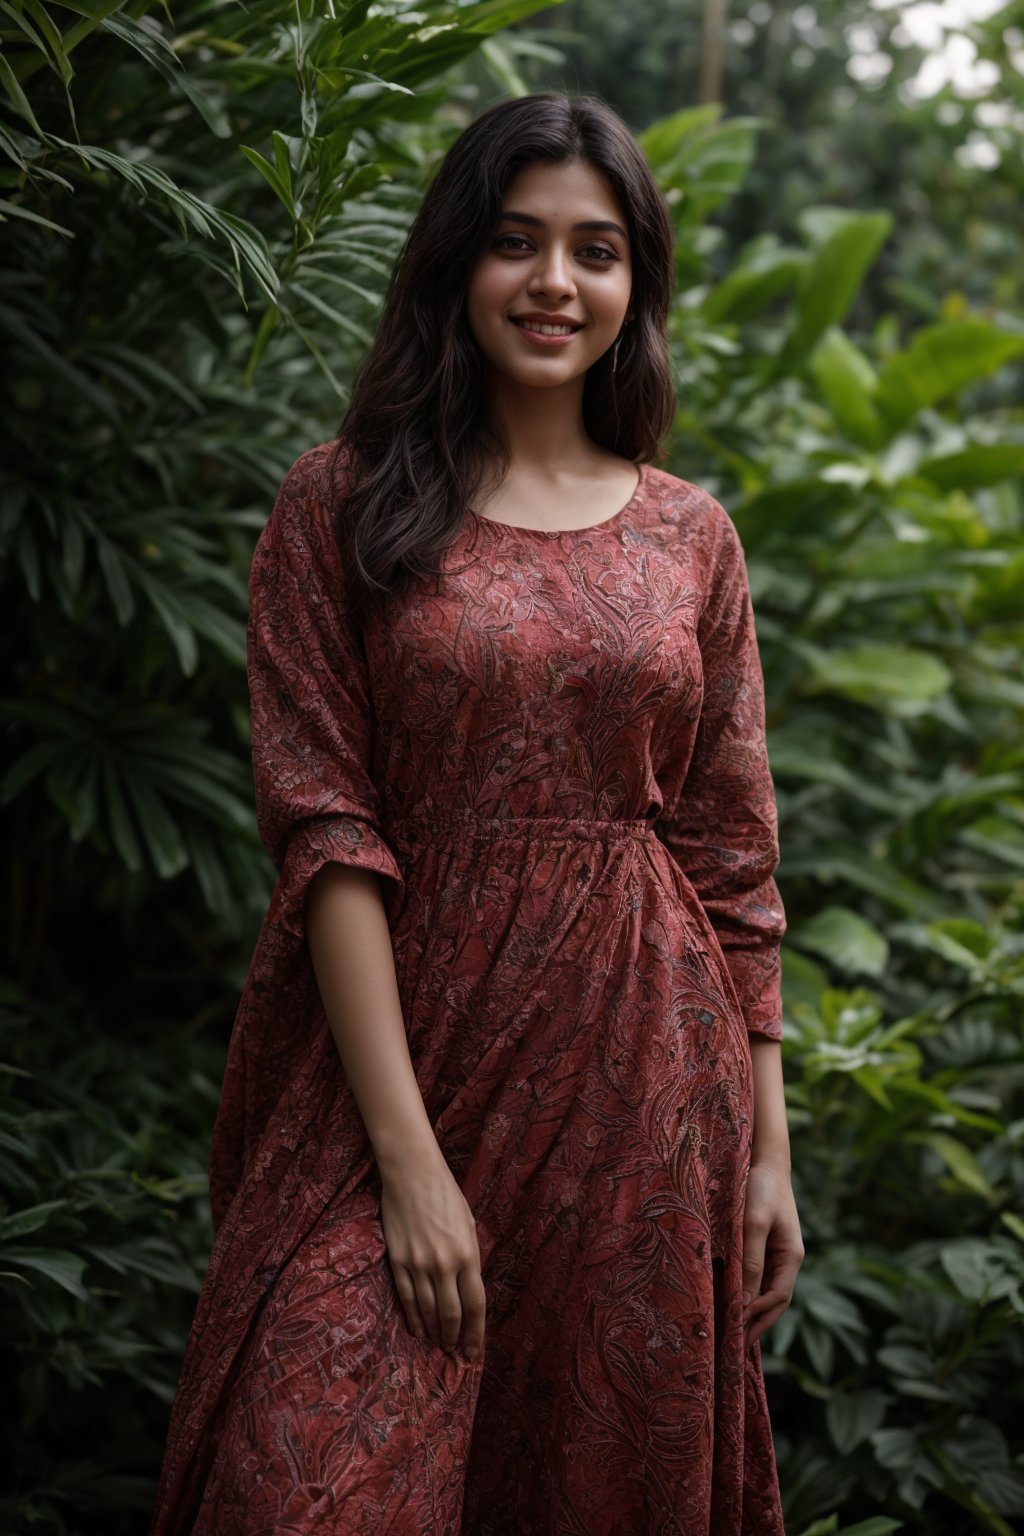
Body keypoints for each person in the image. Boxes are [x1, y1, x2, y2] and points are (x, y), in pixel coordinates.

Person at [151, 89, 804, 1536]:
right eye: (517, 242)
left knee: (585, 1480)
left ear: (638, 286)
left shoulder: (691, 533)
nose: (557, 282)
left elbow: (732, 860)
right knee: (297, 1486)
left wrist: (767, 1154)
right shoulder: (340, 506)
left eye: (598, 249)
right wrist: (406, 1162)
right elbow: (325, 827)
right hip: (386, 1070)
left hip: (639, 1079)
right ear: (457, 262)